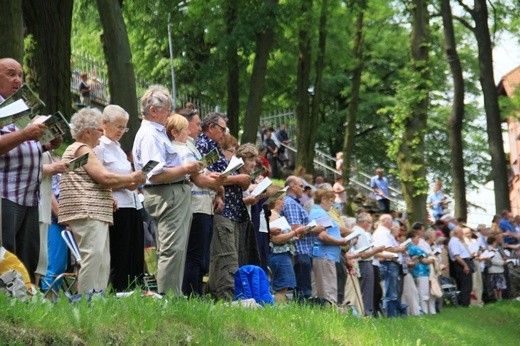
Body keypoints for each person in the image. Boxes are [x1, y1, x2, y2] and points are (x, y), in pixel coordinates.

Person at [132, 86, 221, 296]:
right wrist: (186, 169)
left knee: (176, 248)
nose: (170, 114)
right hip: (166, 192)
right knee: (172, 249)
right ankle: (168, 297)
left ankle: (172, 295)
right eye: (167, 110)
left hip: (171, 191)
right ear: (154, 110)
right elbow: (155, 173)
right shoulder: (150, 135)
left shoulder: (156, 133)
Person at [59, 107, 145, 294]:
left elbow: (92, 180)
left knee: (103, 259)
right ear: (87, 131)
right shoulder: (81, 149)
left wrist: (107, 196)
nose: (101, 135)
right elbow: (104, 178)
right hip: (87, 210)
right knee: (94, 256)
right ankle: (86, 301)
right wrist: (132, 178)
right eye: (99, 130)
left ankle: (97, 299)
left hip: (95, 210)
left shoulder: (86, 150)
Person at [0, 57, 60, 282]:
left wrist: (45, 144)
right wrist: (26, 134)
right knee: (5, 252)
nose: (17, 80)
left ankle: (23, 298)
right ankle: (5, 303)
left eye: (20, 75)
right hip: (5, 193)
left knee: (28, 253)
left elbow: (22, 145)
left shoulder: (20, 108)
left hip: (29, 196)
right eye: (10, 74)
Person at [165, 112, 224, 296]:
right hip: (195, 206)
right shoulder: (181, 150)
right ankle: (192, 295)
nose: (199, 129)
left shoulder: (188, 147)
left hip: (203, 204)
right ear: (175, 132)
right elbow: (198, 179)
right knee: (194, 256)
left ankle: (195, 294)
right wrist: (218, 182)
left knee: (200, 258)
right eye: (191, 127)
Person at [195, 112, 251, 300]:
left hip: (226, 207)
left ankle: (217, 295)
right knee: (226, 257)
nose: (224, 133)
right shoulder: (203, 145)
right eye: (222, 129)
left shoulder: (213, 146)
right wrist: (237, 179)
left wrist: (220, 190)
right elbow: (205, 174)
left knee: (227, 256)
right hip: (218, 210)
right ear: (211, 127)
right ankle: (227, 297)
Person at [93, 105, 145, 292]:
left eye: (124, 127)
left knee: (135, 253)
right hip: (116, 206)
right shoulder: (99, 147)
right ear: (104, 123)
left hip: (132, 203)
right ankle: (118, 291)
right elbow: (101, 180)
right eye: (118, 126)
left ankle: (134, 291)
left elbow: (126, 178)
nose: (121, 131)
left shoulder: (119, 148)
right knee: (120, 255)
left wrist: (135, 180)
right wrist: (127, 180)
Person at [281, 175, 325, 302]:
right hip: (300, 250)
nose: (303, 189)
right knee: (302, 290)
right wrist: (314, 228)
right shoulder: (290, 203)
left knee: (304, 287)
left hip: (304, 249)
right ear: (293, 187)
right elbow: (294, 226)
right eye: (301, 186)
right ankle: (302, 308)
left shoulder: (294, 203)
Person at [309, 189, 349, 304]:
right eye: (331, 201)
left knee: (326, 286)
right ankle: (330, 312)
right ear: (324, 200)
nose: (332, 205)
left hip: (326, 255)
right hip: (325, 255)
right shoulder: (319, 213)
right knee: (328, 288)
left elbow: (334, 229)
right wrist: (340, 242)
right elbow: (323, 236)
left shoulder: (321, 213)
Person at [372, 214, 407, 317]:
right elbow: (385, 249)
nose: (392, 224)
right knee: (390, 292)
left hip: (391, 263)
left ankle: (394, 314)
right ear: (386, 221)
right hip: (387, 263)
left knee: (393, 291)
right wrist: (399, 249)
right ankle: (391, 315)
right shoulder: (382, 233)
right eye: (391, 221)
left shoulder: (386, 232)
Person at [350, 213, 385, 316]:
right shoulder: (359, 233)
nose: (371, 225)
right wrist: (377, 250)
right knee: (366, 289)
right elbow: (364, 254)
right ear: (364, 223)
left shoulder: (361, 232)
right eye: (369, 222)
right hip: (364, 263)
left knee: (367, 288)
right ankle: (366, 313)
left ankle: (365, 311)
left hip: (366, 262)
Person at [407, 229, 436, 314]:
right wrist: (433, 260)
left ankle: (422, 311)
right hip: (421, 272)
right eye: (417, 237)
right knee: (423, 294)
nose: (418, 239)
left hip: (415, 272)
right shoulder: (414, 248)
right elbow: (424, 261)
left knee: (419, 293)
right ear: (412, 238)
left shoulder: (409, 248)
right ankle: (424, 311)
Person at [447, 226, 473, 307]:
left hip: (464, 261)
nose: (462, 234)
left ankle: (466, 303)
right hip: (461, 263)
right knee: (465, 285)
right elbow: (457, 256)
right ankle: (465, 304)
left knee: (468, 284)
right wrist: (465, 265)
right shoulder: (454, 242)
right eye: (461, 232)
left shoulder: (457, 241)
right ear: (457, 233)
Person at [486, 235, 507, 301]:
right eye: (495, 242)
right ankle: (496, 298)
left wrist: (504, 259)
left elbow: (500, 257)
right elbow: (493, 261)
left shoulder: (497, 250)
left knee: (501, 286)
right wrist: (503, 262)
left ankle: (500, 298)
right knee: (495, 286)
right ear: (493, 242)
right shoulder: (489, 250)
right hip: (494, 270)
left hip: (500, 270)